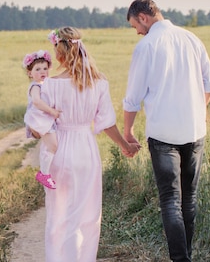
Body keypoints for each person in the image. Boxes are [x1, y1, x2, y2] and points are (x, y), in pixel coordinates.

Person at [27, 26, 141, 262]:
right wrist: (125, 145)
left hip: (58, 149)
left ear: (58, 55)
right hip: (86, 150)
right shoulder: (99, 83)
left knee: (58, 215)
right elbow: (107, 123)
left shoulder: (47, 85)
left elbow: (37, 127)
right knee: (87, 216)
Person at [122, 0, 210, 262]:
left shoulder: (146, 47)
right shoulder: (192, 39)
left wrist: (127, 131)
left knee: (170, 200)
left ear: (143, 17)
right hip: (195, 129)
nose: (138, 32)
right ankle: (185, 257)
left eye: (135, 26)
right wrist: (197, 109)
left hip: (163, 134)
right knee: (189, 199)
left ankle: (180, 259)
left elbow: (132, 98)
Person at [22, 49, 62, 189]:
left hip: (45, 119)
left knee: (48, 146)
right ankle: (44, 173)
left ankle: (46, 171)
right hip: (40, 119)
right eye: (38, 69)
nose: (42, 71)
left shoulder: (45, 85)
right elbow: (37, 102)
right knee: (53, 145)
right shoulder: (35, 86)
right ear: (30, 73)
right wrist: (52, 111)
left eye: (45, 68)